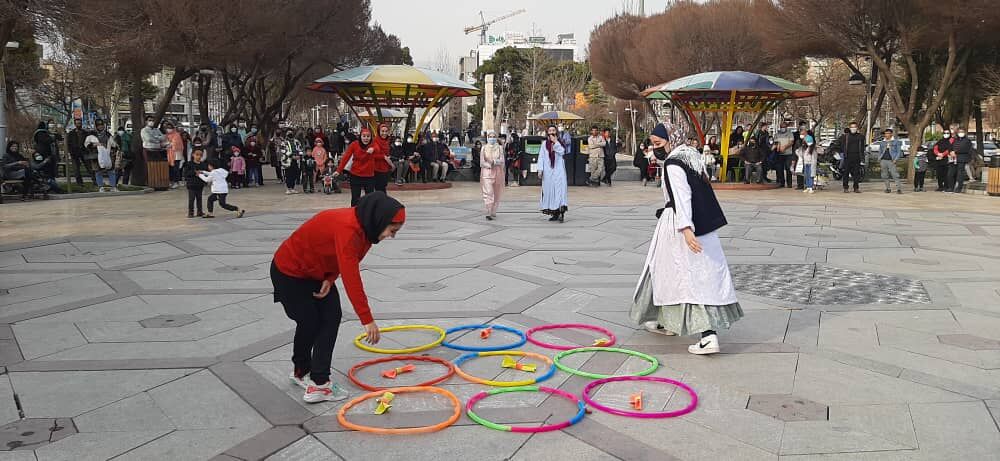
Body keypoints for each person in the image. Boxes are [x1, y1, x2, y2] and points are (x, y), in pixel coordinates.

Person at [271, 192, 404, 402]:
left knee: (330, 316)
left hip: (316, 272)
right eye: (392, 230)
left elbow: (342, 258)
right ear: (380, 220)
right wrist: (367, 319)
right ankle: (317, 383)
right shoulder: (350, 230)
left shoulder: (367, 229)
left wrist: (330, 277)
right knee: (310, 321)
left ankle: (307, 373)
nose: (392, 236)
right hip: (289, 272)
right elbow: (352, 276)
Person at [631, 122, 742, 355]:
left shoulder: (673, 163)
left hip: (680, 226)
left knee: (682, 276)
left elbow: (683, 196)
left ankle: (707, 335)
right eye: (653, 143)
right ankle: (666, 321)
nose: (655, 148)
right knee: (680, 274)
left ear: (671, 139)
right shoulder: (691, 157)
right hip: (703, 226)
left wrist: (686, 229)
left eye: (658, 143)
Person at [337, 127, 376, 206]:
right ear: (360, 136)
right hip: (355, 174)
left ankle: (368, 215)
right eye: (364, 136)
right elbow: (346, 158)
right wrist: (338, 170)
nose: (366, 138)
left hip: (369, 176)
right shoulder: (354, 144)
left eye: (368, 136)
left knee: (370, 198)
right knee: (355, 198)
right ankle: (353, 215)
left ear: (371, 137)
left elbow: (380, 153)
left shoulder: (373, 145)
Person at [538, 125, 568, 222]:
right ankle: (554, 213)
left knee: (559, 191)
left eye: (553, 130)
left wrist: (555, 142)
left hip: (559, 171)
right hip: (548, 171)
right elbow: (541, 157)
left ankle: (561, 213)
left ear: (556, 132)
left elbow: (562, 152)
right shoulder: (544, 144)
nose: (551, 132)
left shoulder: (560, 142)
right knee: (549, 192)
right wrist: (540, 169)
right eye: (550, 130)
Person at [829, 121, 866, 193]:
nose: (853, 128)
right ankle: (845, 187)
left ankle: (856, 188)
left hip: (857, 157)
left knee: (856, 173)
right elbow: (837, 144)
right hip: (847, 157)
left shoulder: (861, 137)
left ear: (857, 128)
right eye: (852, 127)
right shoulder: (844, 137)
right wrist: (838, 151)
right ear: (849, 128)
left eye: (854, 127)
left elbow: (862, 147)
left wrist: (862, 157)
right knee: (846, 173)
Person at [85, 121, 120, 192]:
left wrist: (115, 146)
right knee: (98, 171)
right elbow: (86, 144)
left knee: (111, 170)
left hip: (107, 155)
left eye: (101, 125)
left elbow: (113, 144)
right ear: (96, 126)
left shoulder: (107, 134)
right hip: (96, 155)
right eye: (98, 125)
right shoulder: (91, 135)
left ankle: (113, 186)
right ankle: (100, 187)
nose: (100, 126)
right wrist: (94, 145)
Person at [480, 131, 505, 220]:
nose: (492, 138)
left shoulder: (500, 148)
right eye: (490, 136)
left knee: (496, 192)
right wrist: (488, 165)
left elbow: (502, 160)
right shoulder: (484, 148)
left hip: (498, 172)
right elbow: (481, 162)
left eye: (494, 136)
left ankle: (494, 210)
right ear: (487, 137)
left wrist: (494, 162)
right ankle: (489, 210)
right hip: (487, 173)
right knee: (488, 192)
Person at [66, 118, 94, 187]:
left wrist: (88, 149)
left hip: (84, 152)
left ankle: (95, 181)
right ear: (75, 124)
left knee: (89, 168)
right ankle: (80, 183)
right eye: (77, 123)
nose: (79, 124)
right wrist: (71, 152)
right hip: (75, 153)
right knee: (76, 170)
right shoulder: (71, 133)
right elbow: (68, 144)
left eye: (80, 123)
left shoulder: (85, 133)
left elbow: (89, 142)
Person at [876, 128, 903, 194]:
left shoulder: (896, 141)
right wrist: (879, 159)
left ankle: (899, 189)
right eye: (885, 133)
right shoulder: (882, 142)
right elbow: (880, 151)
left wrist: (895, 159)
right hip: (883, 160)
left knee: (895, 174)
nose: (886, 135)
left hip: (891, 160)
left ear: (891, 134)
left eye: (888, 133)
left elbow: (899, 152)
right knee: (884, 175)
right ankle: (888, 188)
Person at [183, 149, 208, 217]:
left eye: (200, 155)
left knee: (199, 199)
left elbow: (205, 173)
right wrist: (194, 173)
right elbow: (186, 174)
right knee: (191, 199)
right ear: (193, 155)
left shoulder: (203, 164)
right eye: (197, 155)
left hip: (200, 184)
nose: (199, 157)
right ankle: (191, 212)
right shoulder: (189, 164)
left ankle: (199, 211)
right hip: (191, 184)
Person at [372, 123, 393, 192]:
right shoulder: (375, 141)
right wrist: (384, 157)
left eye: (386, 131)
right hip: (377, 168)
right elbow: (372, 155)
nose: (384, 133)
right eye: (382, 131)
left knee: (383, 187)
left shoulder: (387, 141)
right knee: (380, 189)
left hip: (385, 168)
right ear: (379, 131)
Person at [163, 121, 184, 189]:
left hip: (176, 154)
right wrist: (168, 144)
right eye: (167, 128)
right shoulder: (167, 135)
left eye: (170, 127)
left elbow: (175, 144)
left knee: (176, 168)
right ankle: (172, 181)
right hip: (169, 153)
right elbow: (164, 143)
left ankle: (176, 182)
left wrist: (169, 144)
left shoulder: (176, 135)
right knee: (171, 169)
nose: (169, 129)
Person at [953, 128, 973, 193]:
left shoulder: (967, 141)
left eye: (962, 132)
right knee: (954, 173)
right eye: (959, 132)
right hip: (955, 158)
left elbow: (966, 149)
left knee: (960, 173)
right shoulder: (956, 140)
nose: (960, 133)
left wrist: (956, 151)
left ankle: (959, 187)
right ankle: (953, 186)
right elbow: (952, 147)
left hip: (962, 158)